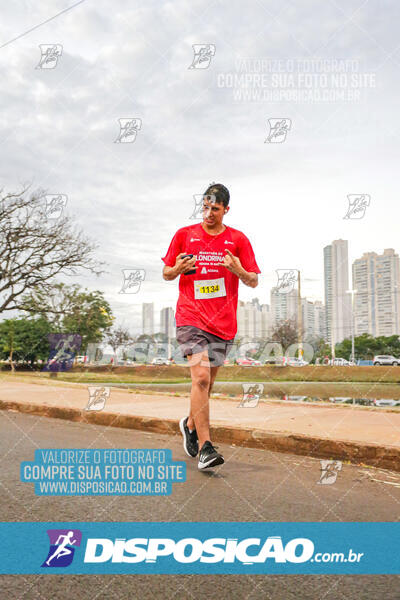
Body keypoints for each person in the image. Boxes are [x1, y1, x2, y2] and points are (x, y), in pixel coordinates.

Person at [161, 183, 261, 470]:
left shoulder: (238, 239)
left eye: (214, 209)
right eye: (204, 207)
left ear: (225, 210)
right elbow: (166, 272)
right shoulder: (185, 235)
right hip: (191, 316)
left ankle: (190, 424)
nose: (208, 214)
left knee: (206, 384)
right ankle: (206, 447)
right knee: (201, 377)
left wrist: (238, 270)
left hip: (222, 323)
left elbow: (253, 279)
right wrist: (176, 270)